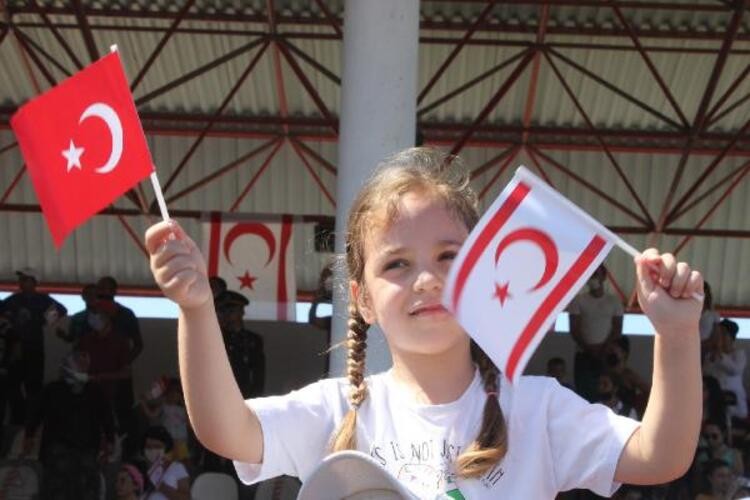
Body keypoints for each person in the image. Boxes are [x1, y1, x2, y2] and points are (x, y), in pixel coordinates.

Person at [145, 147, 704, 498]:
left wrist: (676, 336)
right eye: (396, 264)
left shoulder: (537, 408)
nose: (427, 279)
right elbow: (225, 428)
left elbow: (661, 456)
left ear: (487, 268)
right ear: (362, 300)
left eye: (448, 256)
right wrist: (195, 309)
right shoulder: (336, 409)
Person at [24, 348, 114, 500]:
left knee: (85, 492)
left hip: (86, 451)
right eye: (80, 364)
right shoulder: (52, 390)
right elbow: (35, 414)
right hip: (57, 453)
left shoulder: (95, 391)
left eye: (86, 365)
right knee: (57, 492)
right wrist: (29, 436)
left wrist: (110, 440)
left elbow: (107, 418)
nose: (84, 369)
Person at [1, 267, 67, 423]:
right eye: (21, 279)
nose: (21, 282)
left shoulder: (42, 299)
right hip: (14, 349)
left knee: (34, 388)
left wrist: (43, 322)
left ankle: (32, 421)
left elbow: (62, 310)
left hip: (34, 349)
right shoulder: (13, 299)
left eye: (25, 279)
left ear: (34, 282)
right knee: (12, 386)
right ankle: (19, 419)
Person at [568, 265, 624, 402]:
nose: (593, 278)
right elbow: (574, 329)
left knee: (606, 391)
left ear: (604, 277)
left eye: (596, 274)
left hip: (606, 355)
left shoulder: (614, 300)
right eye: (591, 274)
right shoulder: (578, 300)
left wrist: (604, 348)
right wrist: (589, 349)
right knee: (583, 394)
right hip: (583, 354)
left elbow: (617, 328)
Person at [215, 290, 265, 399]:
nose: (228, 314)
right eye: (224, 311)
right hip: (219, 395)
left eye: (232, 310)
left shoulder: (253, 340)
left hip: (245, 395)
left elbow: (258, 374)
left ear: (242, 312)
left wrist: (254, 399)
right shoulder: (216, 338)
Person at [705, 319, 747, 419]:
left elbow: (735, 370)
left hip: (734, 403)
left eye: (723, 334)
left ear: (731, 337)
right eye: (718, 335)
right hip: (714, 402)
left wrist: (720, 354)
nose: (720, 338)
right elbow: (706, 374)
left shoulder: (739, 354)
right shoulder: (711, 355)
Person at [140, 425, 190, 500]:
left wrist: (160, 485)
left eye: (157, 447)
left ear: (165, 447)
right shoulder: (138, 468)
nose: (152, 450)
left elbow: (186, 498)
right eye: (148, 447)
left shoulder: (177, 467)